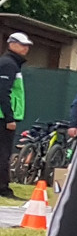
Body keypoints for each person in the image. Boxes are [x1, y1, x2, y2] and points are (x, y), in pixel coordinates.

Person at [0, 32, 29, 178]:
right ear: (11, 44)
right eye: (22, 45)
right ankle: (2, 186)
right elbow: (3, 91)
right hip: (3, 117)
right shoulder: (9, 64)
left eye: (27, 45)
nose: (26, 48)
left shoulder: (10, 63)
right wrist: (9, 118)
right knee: (3, 153)